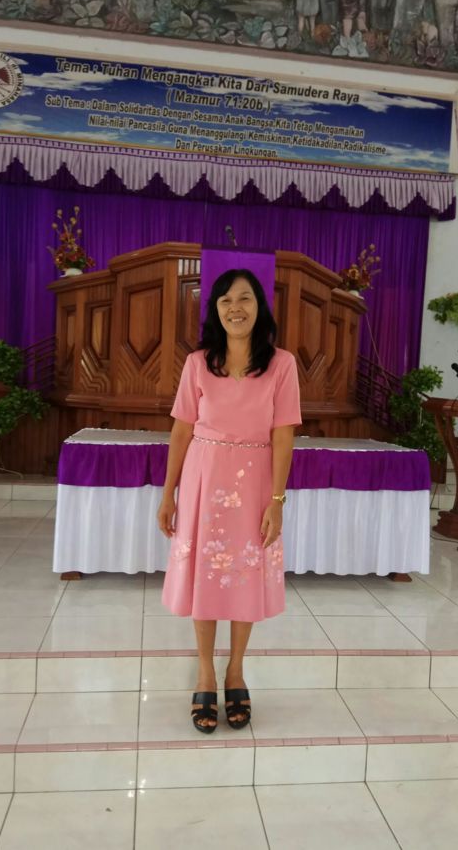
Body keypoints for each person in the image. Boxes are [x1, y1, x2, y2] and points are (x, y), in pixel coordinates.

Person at [157, 269, 301, 734]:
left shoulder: (282, 365)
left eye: (244, 298)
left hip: (255, 483)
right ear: (215, 310)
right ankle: (205, 673)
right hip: (203, 480)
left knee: (244, 577)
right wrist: (168, 493)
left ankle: (235, 671)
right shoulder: (198, 363)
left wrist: (276, 500)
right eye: (225, 300)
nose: (235, 308)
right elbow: (182, 429)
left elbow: (284, 435)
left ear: (260, 306)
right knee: (205, 575)